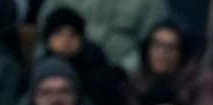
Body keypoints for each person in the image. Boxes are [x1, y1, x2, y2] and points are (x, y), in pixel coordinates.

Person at [35, 0, 168, 72]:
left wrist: (130, 68)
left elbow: (153, 40)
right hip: (62, 72)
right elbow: (43, 33)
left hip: (123, 75)